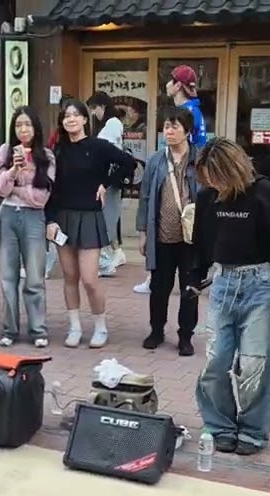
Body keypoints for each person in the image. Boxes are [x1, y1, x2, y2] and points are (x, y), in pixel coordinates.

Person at [189, 137, 270, 455]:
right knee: (216, 360)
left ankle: (254, 428)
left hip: (262, 284)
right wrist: (194, 276)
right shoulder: (207, 198)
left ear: (231, 171)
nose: (211, 185)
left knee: (255, 363)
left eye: (216, 178)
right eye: (207, 179)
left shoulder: (264, 193)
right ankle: (220, 425)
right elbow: (202, 242)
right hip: (224, 282)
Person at [46, 99, 136, 349]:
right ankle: (74, 326)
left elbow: (128, 163)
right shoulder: (57, 150)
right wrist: (50, 219)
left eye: (76, 115)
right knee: (69, 276)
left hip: (89, 218)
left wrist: (106, 183)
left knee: (89, 278)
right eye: (66, 116)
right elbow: (51, 190)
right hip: (63, 217)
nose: (71, 119)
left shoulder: (98, 146)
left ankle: (100, 327)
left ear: (86, 119)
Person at [137, 105, 199, 356]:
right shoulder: (155, 160)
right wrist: (142, 232)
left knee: (190, 288)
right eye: (166, 126)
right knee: (159, 287)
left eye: (174, 126)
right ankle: (156, 330)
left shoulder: (200, 158)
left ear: (187, 131)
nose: (169, 131)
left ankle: (186, 336)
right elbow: (144, 197)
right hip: (161, 236)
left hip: (191, 239)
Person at [0, 106, 54, 349]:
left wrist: (15, 187)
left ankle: (38, 329)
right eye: (18, 125)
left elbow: (40, 198)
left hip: (33, 218)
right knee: (7, 276)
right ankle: (9, 329)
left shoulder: (46, 156)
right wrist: (14, 170)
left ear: (36, 128)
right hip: (7, 215)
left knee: (35, 276)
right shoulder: (6, 151)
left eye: (28, 124)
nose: (23, 129)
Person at [88, 91, 128, 277]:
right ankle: (114, 253)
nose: (93, 113)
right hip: (110, 180)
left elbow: (108, 152)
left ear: (102, 106)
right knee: (109, 217)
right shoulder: (113, 124)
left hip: (108, 180)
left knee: (106, 218)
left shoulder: (111, 124)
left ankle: (105, 260)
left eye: (94, 108)